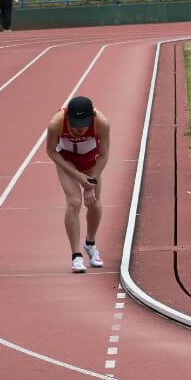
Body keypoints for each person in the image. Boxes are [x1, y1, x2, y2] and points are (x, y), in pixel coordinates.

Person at [45, 95, 110, 274]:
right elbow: (51, 151)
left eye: (84, 123)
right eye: (75, 123)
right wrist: (79, 177)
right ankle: (76, 256)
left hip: (91, 162)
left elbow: (104, 155)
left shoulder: (101, 122)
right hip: (67, 161)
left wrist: (91, 182)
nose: (80, 128)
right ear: (67, 118)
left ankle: (90, 244)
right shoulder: (56, 123)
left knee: (94, 203)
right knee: (74, 202)